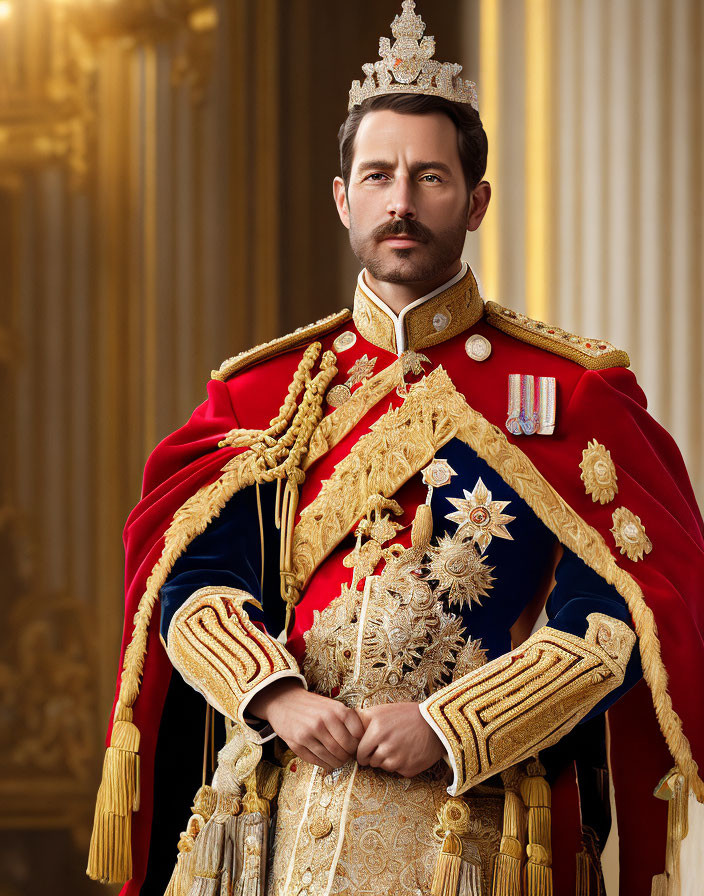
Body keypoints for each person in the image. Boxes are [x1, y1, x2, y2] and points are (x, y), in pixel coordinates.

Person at [87, 3, 704, 894]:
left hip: (481, 830)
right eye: (377, 177)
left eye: (430, 178)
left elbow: (613, 620)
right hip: (278, 824)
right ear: (344, 200)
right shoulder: (268, 392)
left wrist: (456, 727)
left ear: (477, 200)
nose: (401, 203)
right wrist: (273, 695)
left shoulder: (570, 394)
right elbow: (193, 578)